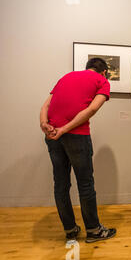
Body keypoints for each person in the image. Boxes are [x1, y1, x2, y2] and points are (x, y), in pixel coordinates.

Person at [40, 58, 117, 242]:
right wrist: (65, 129)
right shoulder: (102, 81)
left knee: (61, 184)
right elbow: (92, 110)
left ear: (87, 68)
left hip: (52, 136)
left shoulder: (66, 77)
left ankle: (70, 229)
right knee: (85, 184)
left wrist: (44, 125)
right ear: (104, 72)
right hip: (76, 136)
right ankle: (94, 230)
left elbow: (46, 106)